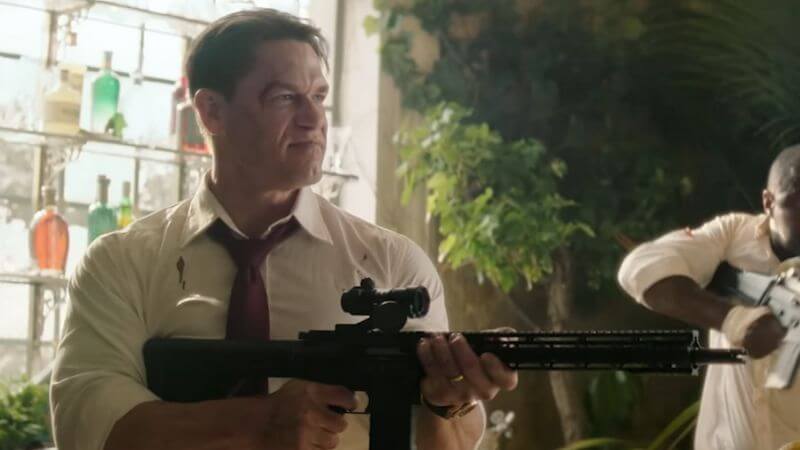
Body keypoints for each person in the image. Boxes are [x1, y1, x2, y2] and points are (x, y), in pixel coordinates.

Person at [50, 9, 518, 450]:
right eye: (285, 98)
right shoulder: (122, 263)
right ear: (211, 111)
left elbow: (446, 441)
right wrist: (258, 421)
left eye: (319, 97)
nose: (314, 119)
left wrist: (446, 403)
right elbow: (87, 424)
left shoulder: (392, 263)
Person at [618, 145, 800, 449]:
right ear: (768, 202)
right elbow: (639, 268)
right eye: (798, 202)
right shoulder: (733, 235)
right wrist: (733, 319)